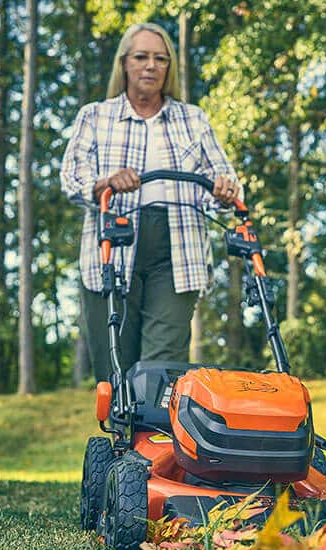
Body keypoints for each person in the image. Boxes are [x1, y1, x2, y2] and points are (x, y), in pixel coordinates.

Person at [60, 22, 242, 382]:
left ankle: (156, 421)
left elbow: (225, 181)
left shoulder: (193, 119)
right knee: (115, 370)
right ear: (124, 63)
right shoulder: (95, 116)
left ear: (169, 67)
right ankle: (120, 421)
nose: (151, 66)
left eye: (160, 59)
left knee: (161, 372)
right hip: (112, 251)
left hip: (177, 254)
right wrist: (106, 183)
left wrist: (224, 191)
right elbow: (71, 178)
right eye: (141, 57)